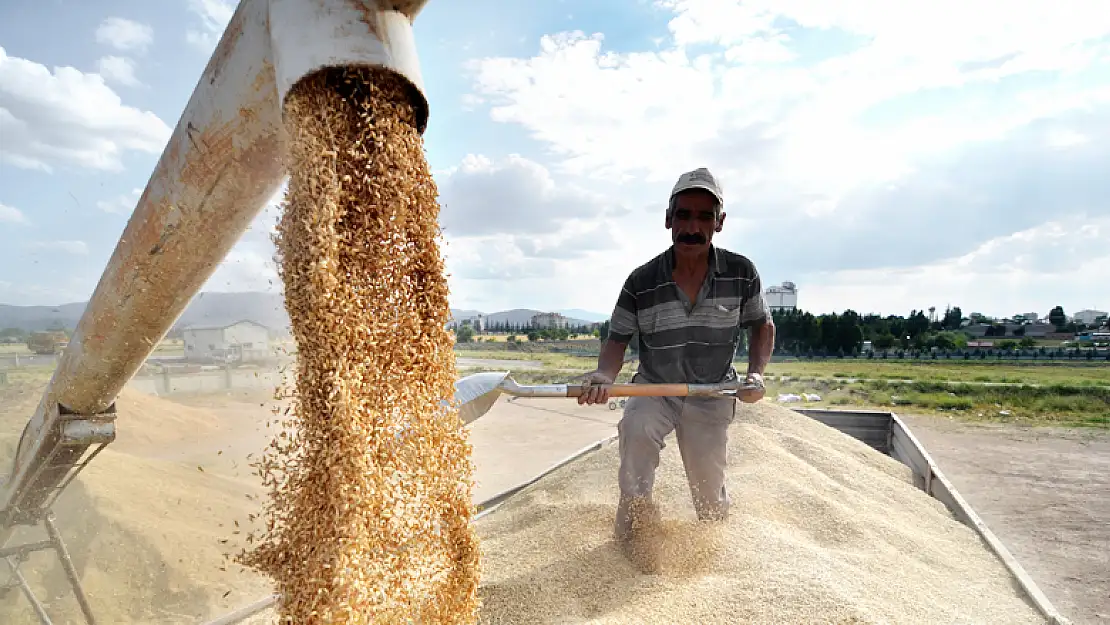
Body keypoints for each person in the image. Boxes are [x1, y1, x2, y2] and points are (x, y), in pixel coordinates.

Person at [578, 167, 775, 570]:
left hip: (712, 392)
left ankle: (713, 555)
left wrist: (756, 374)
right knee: (635, 432)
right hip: (655, 389)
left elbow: (762, 325)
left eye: (705, 217)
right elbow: (617, 339)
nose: (692, 227)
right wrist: (604, 377)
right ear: (668, 219)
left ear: (720, 223)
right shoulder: (641, 281)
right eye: (684, 215)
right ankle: (633, 534)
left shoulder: (741, 273)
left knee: (709, 490)